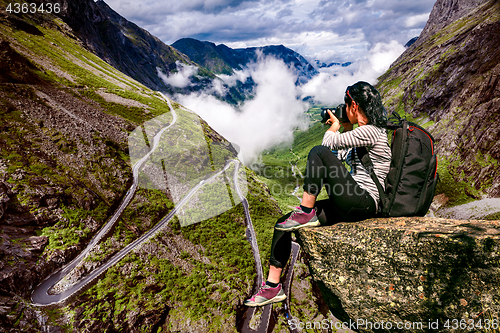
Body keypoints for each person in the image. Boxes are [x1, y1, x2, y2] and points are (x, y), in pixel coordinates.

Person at [244, 81, 391, 307]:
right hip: (353, 201)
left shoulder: (372, 131)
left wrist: (334, 126)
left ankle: (306, 210)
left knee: (317, 151)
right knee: (283, 223)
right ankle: (273, 287)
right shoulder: (363, 134)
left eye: (345, 105)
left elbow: (326, 145)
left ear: (353, 105)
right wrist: (346, 128)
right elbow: (336, 158)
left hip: (365, 202)